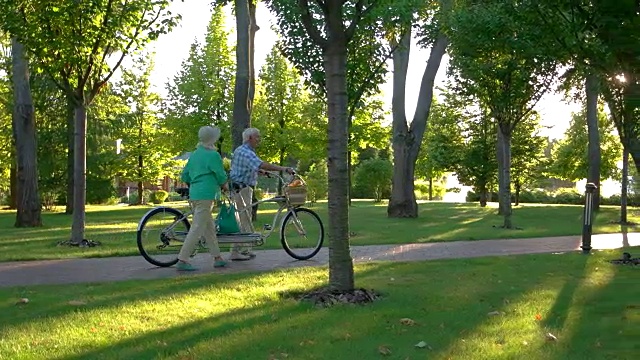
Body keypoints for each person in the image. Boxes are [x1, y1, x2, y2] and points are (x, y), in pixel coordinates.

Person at [228, 127, 294, 261]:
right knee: (242, 220)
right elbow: (261, 164)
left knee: (244, 219)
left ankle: (245, 249)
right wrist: (283, 169)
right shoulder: (246, 152)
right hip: (241, 189)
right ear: (250, 138)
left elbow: (248, 167)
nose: (259, 139)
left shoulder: (242, 150)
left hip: (241, 188)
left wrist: (260, 172)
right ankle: (236, 252)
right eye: (257, 137)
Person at [176, 125, 229, 271]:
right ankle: (183, 259)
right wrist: (225, 186)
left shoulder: (195, 154)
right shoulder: (213, 155)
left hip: (195, 193)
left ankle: (217, 257)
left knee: (208, 227)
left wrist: (195, 183)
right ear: (213, 139)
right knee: (198, 227)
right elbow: (220, 174)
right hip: (207, 194)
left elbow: (185, 175)